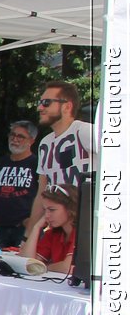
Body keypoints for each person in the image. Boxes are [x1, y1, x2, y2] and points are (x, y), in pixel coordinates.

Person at [30, 80, 94, 236]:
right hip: (60, 230)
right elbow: (41, 192)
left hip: (87, 227)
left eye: (46, 103)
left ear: (67, 106)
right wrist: (29, 234)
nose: (40, 108)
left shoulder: (84, 131)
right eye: (40, 103)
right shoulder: (45, 143)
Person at [0, 120, 39, 251]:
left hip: (24, 229)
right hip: (1, 228)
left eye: (20, 136)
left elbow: (43, 195)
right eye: (12, 135)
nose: (15, 139)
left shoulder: (37, 164)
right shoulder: (1, 163)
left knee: (22, 265)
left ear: (31, 141)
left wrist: (33, 221)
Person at [20, 184, 78, 274]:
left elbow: (68, 268)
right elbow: (26, 263)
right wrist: (36, 227)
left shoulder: (81, 234)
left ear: (70, 208)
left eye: (52, 210)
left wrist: (43, 267)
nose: (46, 216)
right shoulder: (53, 234)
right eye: (45, 210)